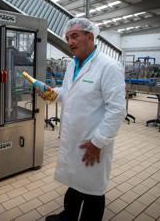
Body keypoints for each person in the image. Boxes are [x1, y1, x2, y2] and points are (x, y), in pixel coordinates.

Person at [45, 18, 126, 221]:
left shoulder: (109, 66)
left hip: (93, 140)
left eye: (74, 36)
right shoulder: (73, 64)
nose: (70, 42)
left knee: (92, 190)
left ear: (90, 37)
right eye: (67, 38)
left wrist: (98, 143)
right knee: (75, 180)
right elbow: (68, 91)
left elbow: (116, 110)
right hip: (74, 137)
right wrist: (54, 93)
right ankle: (69, 215)